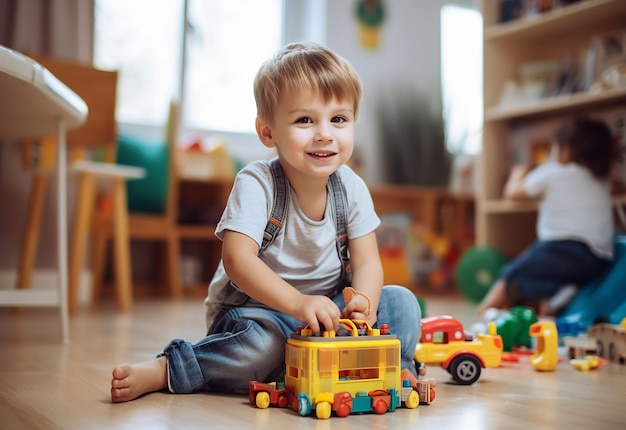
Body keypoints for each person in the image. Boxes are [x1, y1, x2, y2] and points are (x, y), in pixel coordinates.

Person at [111, 41, 425, 403]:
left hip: (327, 313)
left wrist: (364, 303)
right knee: (264, 349)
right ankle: (171, 368)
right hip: (258, 315)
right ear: (268, 132)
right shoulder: (257, 183)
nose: (324, 133)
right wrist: (296, 304)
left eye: (338, 119)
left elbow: (368, 261)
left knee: (401, 301)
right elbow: (238, 261)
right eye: (305, 120)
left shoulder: (351, 187)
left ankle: (393, 368)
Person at [477, 117, 616, 317]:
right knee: (545, 274)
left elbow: (514, 194)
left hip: (563, 249)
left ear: (565, 151)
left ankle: (483, 313)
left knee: (513, 273)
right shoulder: (603, 181)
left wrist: (517, 174)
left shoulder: (552, 172)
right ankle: (557, 298)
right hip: (599, 259)